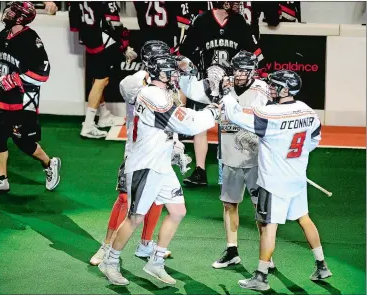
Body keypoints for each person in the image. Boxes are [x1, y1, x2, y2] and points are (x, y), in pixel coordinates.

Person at [98, 54, 221, 286]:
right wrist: (212, 112)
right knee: (135, 218)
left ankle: (155, 262)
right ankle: (110, 261)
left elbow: (173, 125)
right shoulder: (152, 94)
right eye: (171, 71)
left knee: (177, 211)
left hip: (161, 163)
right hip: (146, 164)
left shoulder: (159, 92)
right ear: (161, 73)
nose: (175, 74)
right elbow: (186, 123)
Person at [221, 70, 332, 291]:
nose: (270, 88)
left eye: (274, 85)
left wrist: (226, 94)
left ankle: (261, 276)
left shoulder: (269, 113)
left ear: (285, 90)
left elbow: (235, 116)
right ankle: (322, 265)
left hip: (273, 183)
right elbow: (313, 140)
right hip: (297, 178)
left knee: (268, 226)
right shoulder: (309, 112)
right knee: (304, 219)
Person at [89, 41, 190, 265]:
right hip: (137, 150)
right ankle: (107, 246)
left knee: (157, 198)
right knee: (125, 198)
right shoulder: (136, 80)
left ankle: (146, 244)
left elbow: (175, 114)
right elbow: (127, 88)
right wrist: (153, 76)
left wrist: (176, 145)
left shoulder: (170, 80)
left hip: (161, 148)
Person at [0, 1, 61, 196]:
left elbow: (43, 73)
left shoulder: (31, 39)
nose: (6, 13)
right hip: (2, 97)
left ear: (20, 18)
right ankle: (2, 180)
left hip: (23, 99)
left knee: (23, 142)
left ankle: (50, 163)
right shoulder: (2, 35)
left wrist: (15, 79)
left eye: (11, 11)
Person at [180, 1, 261, 187]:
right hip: (206, 82)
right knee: (200, 125)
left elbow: (253, 52)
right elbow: (185, 52)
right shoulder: (201, 21)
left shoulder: (239, 21)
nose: (236, 3)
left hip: (232, 83)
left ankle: (236, 170)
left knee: (233, 126)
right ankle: (200, 171)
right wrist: (190, 71)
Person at [211, 51, 275, 269]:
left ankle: (267, 255)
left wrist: (257, 135)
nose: (239, 74)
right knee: (229, 204)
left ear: (252, 71)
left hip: (255, 159)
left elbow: (270, 119)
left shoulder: (262, 90)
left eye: (244, 70)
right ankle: (231, 250)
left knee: (261, 208)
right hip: (229, 156)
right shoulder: (223, 85)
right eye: (236, 69)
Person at [69, 1, 137, 139]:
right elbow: (114, 22)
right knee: (101, 80)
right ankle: (88, 125)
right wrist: (124, 44)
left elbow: (74, 20)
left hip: (89, 37)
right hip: (102, 39)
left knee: (97, 78)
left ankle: (103, 115)